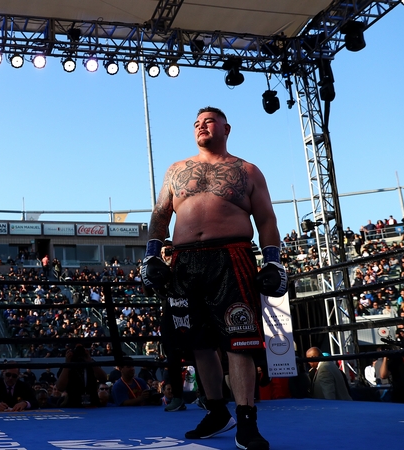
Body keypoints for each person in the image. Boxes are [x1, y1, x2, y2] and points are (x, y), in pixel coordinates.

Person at [142, 107, 286, 450]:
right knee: (197, 342)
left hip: (230, 256)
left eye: (208, 121)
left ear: (226, 127)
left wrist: (273, 262)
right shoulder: (176, 171)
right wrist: (150, 255)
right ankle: (218, 410)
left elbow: (266, 219)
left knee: (239, 341)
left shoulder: (246, 170)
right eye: (196, 123)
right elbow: (160, 216)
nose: (201, 127)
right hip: (184, 260)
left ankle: (247, 420)